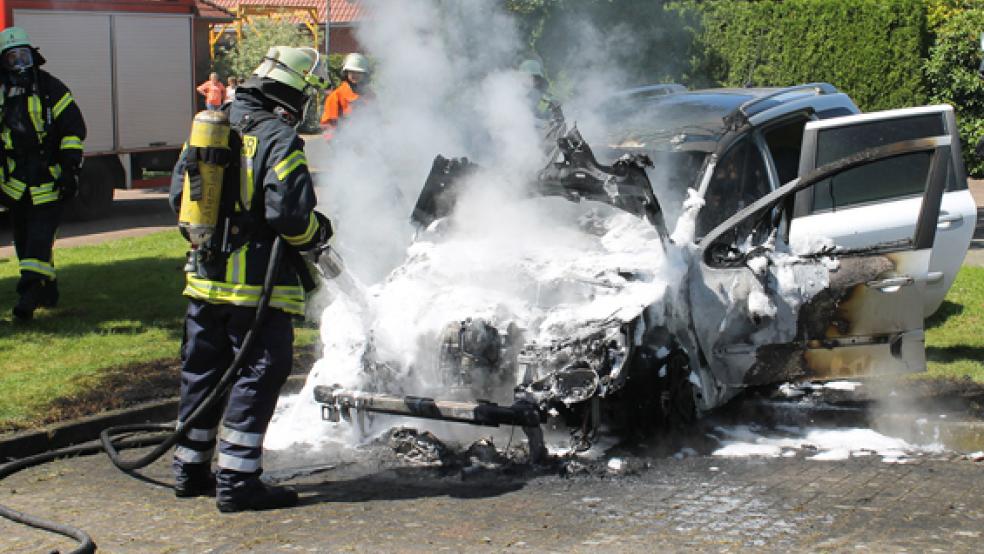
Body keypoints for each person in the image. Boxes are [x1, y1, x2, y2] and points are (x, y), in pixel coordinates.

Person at [169, 45, 332, 512]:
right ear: (294, 92)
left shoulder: (212, 125)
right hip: (255, 287)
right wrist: (318, 231)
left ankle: (189, 468)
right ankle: (238, 483)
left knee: (203, 371)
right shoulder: (278, 136)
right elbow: (291, 216)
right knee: (258, 375)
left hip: (203, 283)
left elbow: (179, 197)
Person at [0, 26, 85, 321]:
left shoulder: (52, 89)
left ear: (33, 57)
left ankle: (28, 295)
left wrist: (69, 169)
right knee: (25, 240)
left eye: (24, 57)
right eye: (12, 59)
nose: (19, 64)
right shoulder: (1, 93)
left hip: (48, 176)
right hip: (15, 182)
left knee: (38, 238)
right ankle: (48, 291)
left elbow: (73, 130)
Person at [320, 52, 370, 138]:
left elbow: (378, 119)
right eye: (352, 72)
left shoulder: (370, 95)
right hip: (344, 142)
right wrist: (336, 141)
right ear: (346, 73)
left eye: (359, 72)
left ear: (364, 75)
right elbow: (327, 125)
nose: (355, 75)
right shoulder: (336, 96)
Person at [518, 59, 564, 126]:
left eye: (528, 77)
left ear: (536, 78)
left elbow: (559, 126)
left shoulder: (550, 100)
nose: (524, 80)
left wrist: (542, 124)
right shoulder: (516, 98)